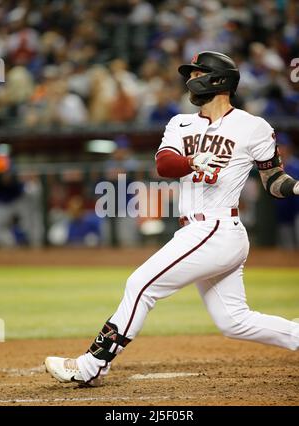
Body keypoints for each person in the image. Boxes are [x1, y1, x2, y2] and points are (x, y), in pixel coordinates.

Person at [45, 51, 299, 387]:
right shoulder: (181, 123)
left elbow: (274, 181)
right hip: (198, 231)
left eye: (197, 73)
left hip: (217, 228)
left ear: (218, 80)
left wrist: (295, 187)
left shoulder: (253, 127)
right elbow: (164, 164)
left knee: (140, 285)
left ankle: (92, 364)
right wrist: (193, 161)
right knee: (234, 321)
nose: (190, 79)